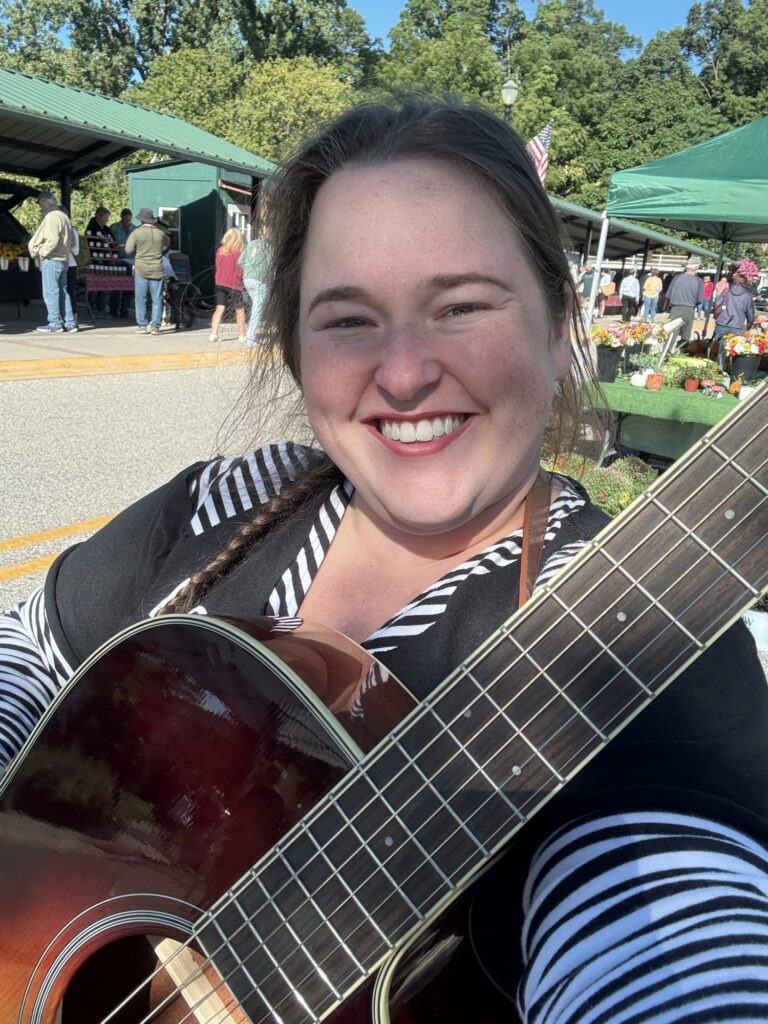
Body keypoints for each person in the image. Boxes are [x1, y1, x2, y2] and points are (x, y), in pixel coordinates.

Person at [1, 100, 767, 1021]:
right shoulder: (230, 499)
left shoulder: (635, 630)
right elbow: (32, 651)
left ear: (560, 321)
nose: (403, 373)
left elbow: (668, 926)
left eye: (461, 305)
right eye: (349, 319)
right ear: (292, 346)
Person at [27, 190, 77, 334]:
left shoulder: (51, 217)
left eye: (40, 202)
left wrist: (42, 253)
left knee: (51, 292)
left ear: (45, 202)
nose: (40, 206)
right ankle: (70, 322)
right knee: (63, 291)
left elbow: (52, 240)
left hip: (52, 258)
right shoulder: (64, 216)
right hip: (64, 259)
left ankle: (55, 323)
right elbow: (72, 240)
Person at [125, 207, 170, 335]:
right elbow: (167, 245)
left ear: (141, 220)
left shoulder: (136, 232)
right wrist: (160, 253)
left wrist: (138, 253)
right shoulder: (161, 233)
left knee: (140, 298)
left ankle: (142, 325)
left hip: (141, 268)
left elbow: (128, 249)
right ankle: (155, 326)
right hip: (156, 268)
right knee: (157, 299)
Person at [712, 263, 756, 368]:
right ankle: (729, 370)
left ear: (734, 281)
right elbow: (750, 312)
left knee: (717, 349)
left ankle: (717, 368)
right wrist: (750, 324)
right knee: (734, 349)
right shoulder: (747, 296)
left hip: (722, 323)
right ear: (744, 283)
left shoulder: (726, 291)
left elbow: (716, 304)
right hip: (737, 325)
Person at [239, 210, 272, 346]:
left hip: (248, 279)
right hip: (260, 280)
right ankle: (251, 338)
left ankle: (250, 335)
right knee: (258, 309)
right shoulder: (270, 247)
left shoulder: (252, 244)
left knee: (255, 307)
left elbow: (240, 262)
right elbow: (272, 266)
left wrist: (250, 268)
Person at [209, 227, 246, 343]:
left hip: (220, 282)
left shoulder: (220, 250)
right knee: (239, 310)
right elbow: (240, 270)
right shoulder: (238, 253)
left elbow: (218, 266)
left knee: (220, 308)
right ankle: (242, 335)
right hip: (233, 284)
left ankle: (213, 334)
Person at [84, 206, 118, 318]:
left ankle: (101, 308)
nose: (107, 220)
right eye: (105, 217)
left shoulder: (106, 228)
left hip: (106, 260)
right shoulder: (92, 228)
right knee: (95, 285)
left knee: (105, 284)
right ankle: (92, 308)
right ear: (99, 216)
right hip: (95, 260)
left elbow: (113, 242)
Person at [665, 259, 705, 345]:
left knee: (671, 336)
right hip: (689, 310)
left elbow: (668, 295)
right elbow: (700, 299)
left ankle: (665, 355)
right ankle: (682, 355)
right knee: (685, 338)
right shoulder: (699, 281)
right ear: (696, 268)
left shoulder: (676, 277)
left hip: (675, 309)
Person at [108, 208, 135, 319]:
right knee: (116, 286)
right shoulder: (113, 228)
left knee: (129, 287)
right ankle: (113, 310)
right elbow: (108, 242)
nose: (127, 221)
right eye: (125, 219)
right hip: (117, 260)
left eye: (129, 219)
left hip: (130, 260)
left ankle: (125, 310)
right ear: (121, 217)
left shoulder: (134, 229)